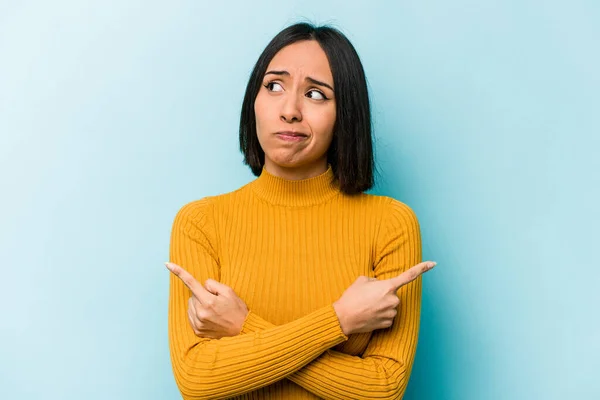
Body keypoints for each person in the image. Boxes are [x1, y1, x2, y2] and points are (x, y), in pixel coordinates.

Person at [165, 22, 437, 400]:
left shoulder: (390, 224)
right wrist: (339, 320)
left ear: (346, 114)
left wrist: (241, 327)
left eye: (316, 94)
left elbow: (383, 388)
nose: (290, 110)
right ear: (253, 101)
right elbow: (198, 380)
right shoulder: (201, 223)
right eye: (274, 86)